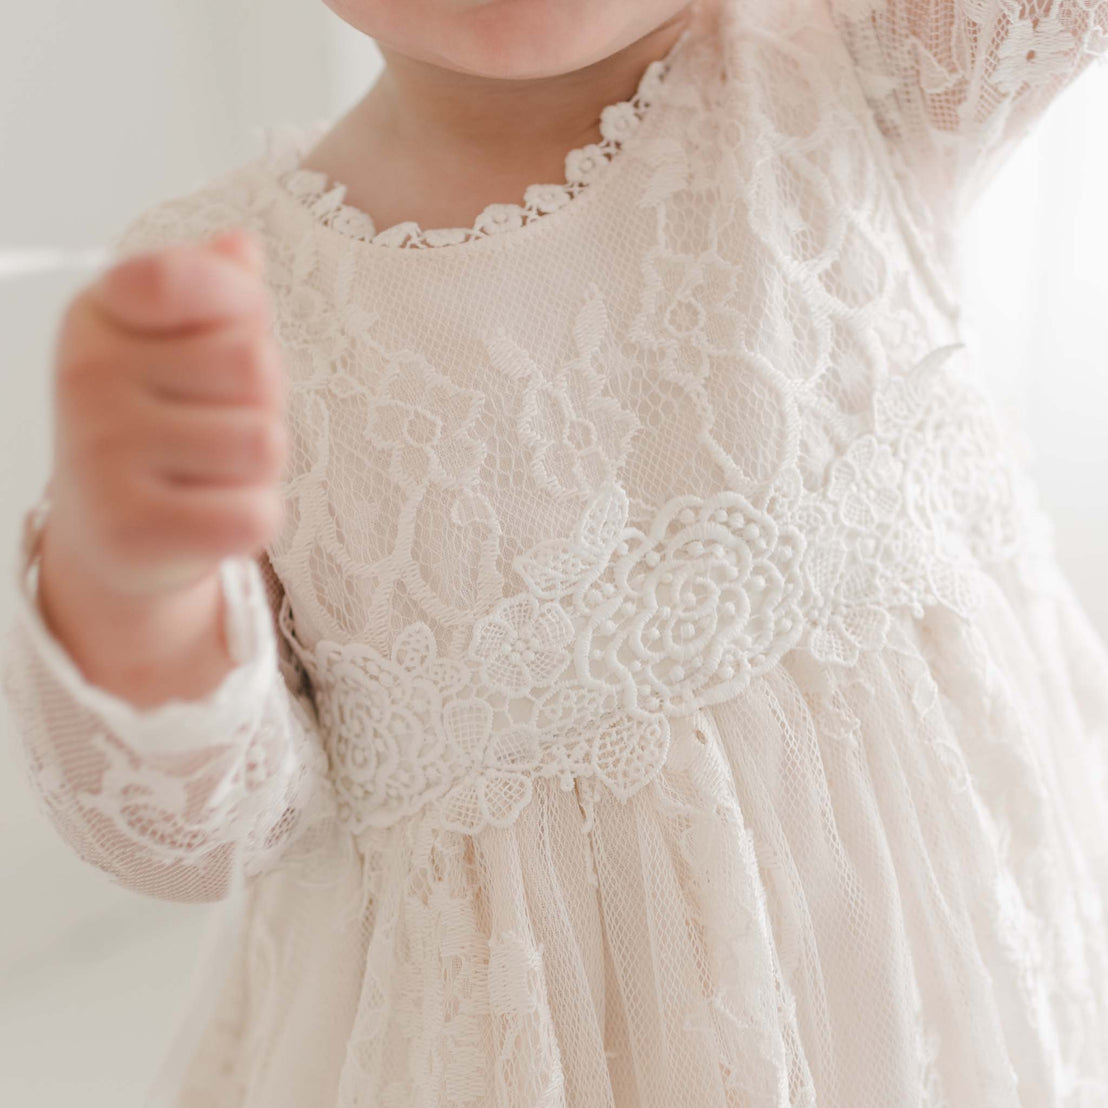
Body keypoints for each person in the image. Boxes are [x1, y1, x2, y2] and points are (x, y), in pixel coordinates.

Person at [3, 0, 1108, 1104]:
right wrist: (138, 586)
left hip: (945, 1008)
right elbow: (200, 834)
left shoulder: (867, 68)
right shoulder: (227, 293)